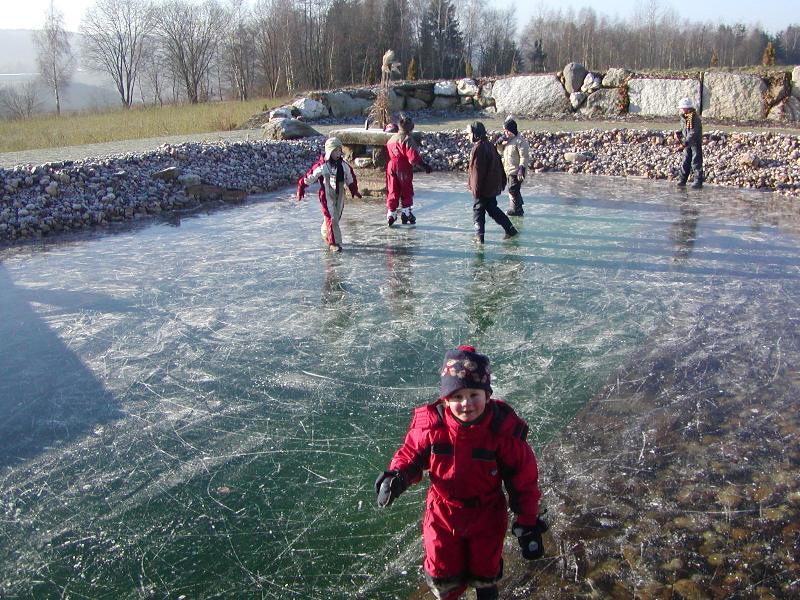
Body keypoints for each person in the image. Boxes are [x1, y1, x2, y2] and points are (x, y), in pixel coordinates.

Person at [375, 345, 546, 600]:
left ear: (487, 395)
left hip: (486, 514)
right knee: (443, 571)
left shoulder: (501, 433)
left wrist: (527, 522)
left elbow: (523, 480)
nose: (466, 404)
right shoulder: (432, 427)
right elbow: (411, 453)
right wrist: (397, 477)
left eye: (474, 394)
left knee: (485, 570)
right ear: (445, 399)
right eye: (457, 397)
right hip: (442, 514)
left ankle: (486, 591)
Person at [297, 137, 362, 252]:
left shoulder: (343, 165)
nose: (338, 153)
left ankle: (325, 231)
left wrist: (354, 189)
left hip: (340, 193)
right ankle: (334, 243)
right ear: (329, 152)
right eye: (335, 151)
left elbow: (350, 177)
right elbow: (310, 176)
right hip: (326, 194)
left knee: (335, 217)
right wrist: (302, 186)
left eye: (339, 151)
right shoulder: (322, 166)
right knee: (331, 218)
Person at [467, 122, 518, 244]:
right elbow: (499, 166)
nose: (468, 136)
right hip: (490, 187)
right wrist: (501, 182)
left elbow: (476, 172)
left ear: (476, 134)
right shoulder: (490, 145)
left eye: (469, 133)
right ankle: (510, 229)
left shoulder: (478, 148)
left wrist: (475, 190)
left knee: (478, 211)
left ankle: (479, 237)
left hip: (482, 189)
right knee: (492, 209)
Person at [385, 113, 432, 226]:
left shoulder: (392, 138)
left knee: (393, 189)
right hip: (403, 167)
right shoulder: (407, 139)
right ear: (410, 129)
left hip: (391, 165)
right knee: (406, 189)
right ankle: (406, 212)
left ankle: (391, 213)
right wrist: (424, 166)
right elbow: (413, 158)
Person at [495, 117, 530, 216]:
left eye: (507, 131)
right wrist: (499, 144)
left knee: (513, 189)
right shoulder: (507, 140)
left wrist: (521, 168)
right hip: (508, 169)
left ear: (512, 130)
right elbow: (500, 152)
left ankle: (516, 209)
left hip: (516, 170)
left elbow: (524, 156)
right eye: (504, 131)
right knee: (512, 189)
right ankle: (518, 206)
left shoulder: (520, 141)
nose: (506, 133)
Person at [673, 97, 703, 189]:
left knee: (696, 162)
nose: (681, 109)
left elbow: (693, 132)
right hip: (687, 142)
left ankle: (698, 182)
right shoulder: (684, 117)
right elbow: (685, 130)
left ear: (687, 108)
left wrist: (684, 143)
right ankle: (682, 181)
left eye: (682, 108)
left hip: (694, 143)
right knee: (685, 162)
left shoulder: (694, 118)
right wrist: (678, 132)